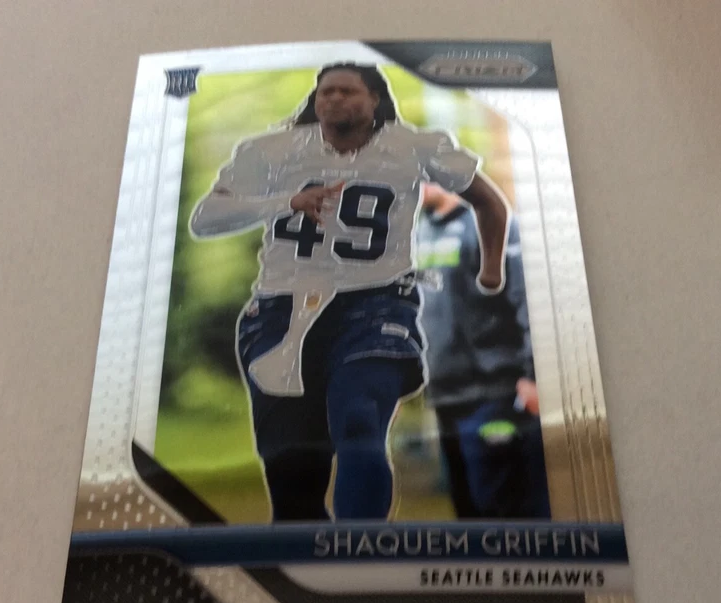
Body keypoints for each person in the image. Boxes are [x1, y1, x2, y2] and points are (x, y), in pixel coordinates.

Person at [189, 62, 510, 522]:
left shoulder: (414, 146)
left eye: (347, 91)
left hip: (376, 302)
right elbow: (205, 219)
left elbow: (489, 201)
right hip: (282, 307)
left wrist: (491, 271)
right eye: (327, 92)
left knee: (360, 419)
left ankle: (361, 543)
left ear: (375, 99)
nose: (335, 99)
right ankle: (310, 554)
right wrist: (286, 201)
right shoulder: (272, 150)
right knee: (293, 467)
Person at [415, 182, 551, 519]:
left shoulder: (491, 222)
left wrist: (535, 376)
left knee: (505, 512)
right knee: (468, 517)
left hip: (494, 396)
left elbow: (528, 300)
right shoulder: (417, 233)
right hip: (445, 399)